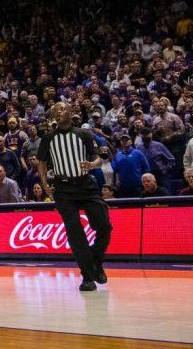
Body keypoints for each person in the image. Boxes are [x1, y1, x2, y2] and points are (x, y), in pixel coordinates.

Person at [36, 103, 112, 292]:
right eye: (54, 111)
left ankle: (96, 263)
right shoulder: (48, 138)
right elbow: (42, 162)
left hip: (86, 185)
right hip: (63, 189)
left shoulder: (84, 134)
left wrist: (91, 164)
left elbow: (98, 159)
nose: (57, 113)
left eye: (61, 109)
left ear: (70, 112)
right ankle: (88, 276)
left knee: (104, 226)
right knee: (75, 233)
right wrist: (45, 183)